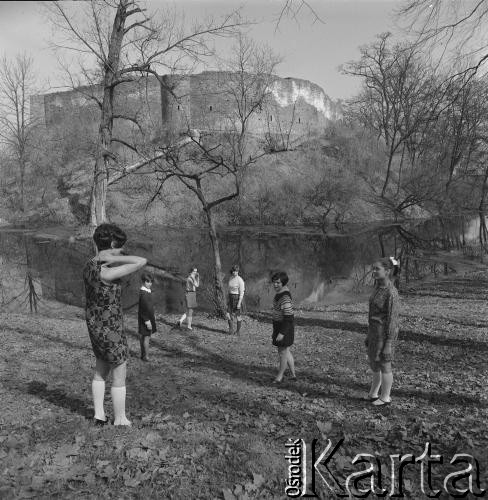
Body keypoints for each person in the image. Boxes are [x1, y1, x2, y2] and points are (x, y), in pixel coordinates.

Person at [83, 223, 147, 426]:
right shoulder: (106, 272)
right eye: (119, 246)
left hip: (95, 325)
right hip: (110, 328)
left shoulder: (89, 265)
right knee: (120, 370)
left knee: (101, 368)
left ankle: (99, 415)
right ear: (111, 244)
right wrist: (114, 257)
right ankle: (120, 419)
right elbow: (141, 261)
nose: (121, 251)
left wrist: (106, 256)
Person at [366, 257, 400, 407]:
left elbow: (393, 320)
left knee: (385, 364)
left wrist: (389, 343)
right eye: (373, 268)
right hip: (374, 333)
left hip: (384, 335)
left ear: (387, 271)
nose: (373, 271)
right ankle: (374, 393)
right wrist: (368, 334)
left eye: (377, 269)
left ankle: (385, 397)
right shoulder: (378, 288)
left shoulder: (391, 293)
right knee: (375, 363)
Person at [271, 271, 296, 383]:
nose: (275, 285)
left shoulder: (285, 297)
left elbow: (289, 318)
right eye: (274, 282)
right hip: (279, 326)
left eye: (278, 283)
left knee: (282, 353)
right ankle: (293, 375)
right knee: (286, 351)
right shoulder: (279, 293)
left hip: (284, 328)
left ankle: (279, 377)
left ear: (283, 283)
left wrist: (282, 333)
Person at [138, 272, 157, 362]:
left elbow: (149, 307)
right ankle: (146, 356)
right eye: (147, 282)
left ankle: (143, 355)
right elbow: (142, 309)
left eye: (151, 282)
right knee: (146, 337)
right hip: (145, 319)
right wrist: (147, 321)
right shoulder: (144, 293)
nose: (150, 283)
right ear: (143, 281)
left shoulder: (147, 292)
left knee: (144, 336)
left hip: (148, 317)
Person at [177, 266, 200, 331]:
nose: (196, 272)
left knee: (190, 311)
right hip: (190, 294)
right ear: (191, 272)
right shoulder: (190, 278)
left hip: (192, 294)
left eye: (196, 271)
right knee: (190, 311)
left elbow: (197, 285)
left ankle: (180, 321)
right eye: (194, 271)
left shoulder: (193, 278)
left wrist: (198, 278)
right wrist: (196, 278)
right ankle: (189, 326)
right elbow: (196, 285)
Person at [226, 265, 245, 335]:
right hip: (230, 297)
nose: (234, 272)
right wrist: (228, 298)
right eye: (234, 271)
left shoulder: (240, 280)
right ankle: (231, 330)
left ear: (238, 271)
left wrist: (239, 303)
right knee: (228, 314)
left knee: (238, 316)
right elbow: (229, 289)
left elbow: (242, 292)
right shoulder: (230, 278)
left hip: (237, 298)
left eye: (236, 271)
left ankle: (238, 331)